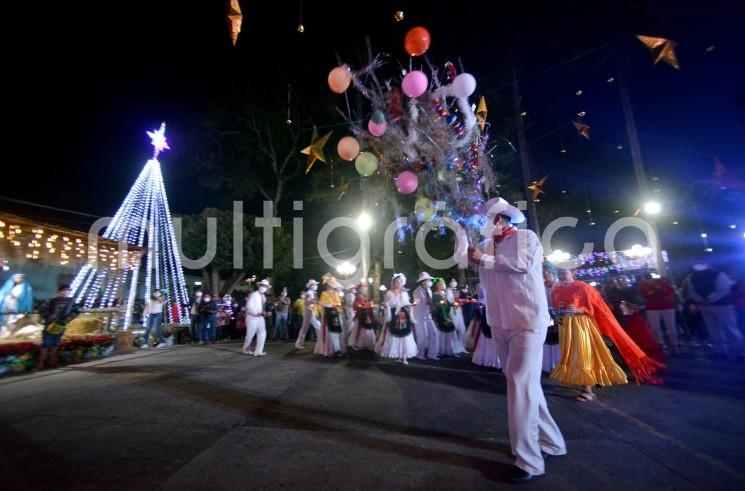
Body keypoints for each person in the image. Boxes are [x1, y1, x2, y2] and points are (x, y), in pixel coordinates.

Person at [468, 197, 566, 483]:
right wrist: (459, 229)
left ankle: (529, 460)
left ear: (499, 219)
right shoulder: (485, 247)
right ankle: (552, 443)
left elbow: (521, 265)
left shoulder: (527, 238)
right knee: (525, 384)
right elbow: (464, 256)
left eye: (482, 219)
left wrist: (484, 258)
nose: (480, 225)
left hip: (527, 321)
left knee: (520, 384)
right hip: (499, 323)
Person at [550, 268, 665, 400]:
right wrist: (560, 313)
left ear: (573, 273)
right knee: (572, 355)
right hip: (566, 327)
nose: (561, 276)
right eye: (559, 273)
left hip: (582, 325)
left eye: (564, 273)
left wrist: (578, 309)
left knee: (583, 354)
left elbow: (595, 307)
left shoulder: (583, 287)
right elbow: (557, 307)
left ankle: (587, 390)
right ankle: (589, 381)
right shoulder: (557, 289)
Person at [687, 262, 744, 359]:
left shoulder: (718, 274)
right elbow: (691, 291)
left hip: (722, 305)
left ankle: (739, 352)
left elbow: (724, 289)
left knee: (730, 328)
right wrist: (702, 300)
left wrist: (708, 299)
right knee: (713, 329)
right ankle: (720, 351)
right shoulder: (692, 278)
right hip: (706, 306)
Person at [375, 273, 418, 364]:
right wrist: (386, 305)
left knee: (405, 335)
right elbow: (386, 304)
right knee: (393, 335)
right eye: (396, 282)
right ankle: (397, 355)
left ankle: (404, 357)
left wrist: (412, 304)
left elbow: (406, 303)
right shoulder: (389, 293)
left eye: (399, 281)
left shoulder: (404, 292)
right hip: (393, 315)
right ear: (393, 283)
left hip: (403, 315)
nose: (398, 283)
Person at [38, 285, 79, 369]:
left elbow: (76, 311)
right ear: (59, 291)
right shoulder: (51, 301)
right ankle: (40, 362)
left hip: (61, 325)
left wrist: (70, 317)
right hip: (49, 325)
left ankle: (52, 361)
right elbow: (41, 310)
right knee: (46, 343)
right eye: (63, 290)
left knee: (56, 343)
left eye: (67, 290)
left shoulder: (71, 302)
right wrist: (49, 316)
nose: (65, 292)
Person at [639, 272, 679, 355]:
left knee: (671, 326)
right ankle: (661, 346)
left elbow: (670, 290)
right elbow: (643, 295)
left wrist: (659, 288)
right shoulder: (643, 285)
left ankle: (674, 346)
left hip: (666, 305)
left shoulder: (661, 281)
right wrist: (651, 292)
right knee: (655, 328)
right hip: (652, 307)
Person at [315, 275, 346, 357]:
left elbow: (338, 304)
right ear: (328, 285)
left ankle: (337, 348)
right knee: (332, 333)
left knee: (338, 332)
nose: (334, 287)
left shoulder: (336, 294)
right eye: (332, 285)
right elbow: (324, 305)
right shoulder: (324, 294)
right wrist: (335, 305)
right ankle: (335, 349)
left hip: (336, 315)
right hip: (329, 317)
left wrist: (338, 305)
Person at [411, 272, 439, 360]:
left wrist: (433, 305)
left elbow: (430, 303)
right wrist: (427, 303)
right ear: (423, 282)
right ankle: (420, 354)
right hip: (419, 316)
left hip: (428, 316)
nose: (430, 282)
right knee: (422, 335)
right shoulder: (417, 291)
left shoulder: (429, 291)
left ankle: (432, 354)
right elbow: (417, 304)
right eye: (428, 280)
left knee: (434, 333)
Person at [432, 278, 459, 357]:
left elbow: (447, 303)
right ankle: (441, 351)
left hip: (447, 315)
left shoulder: (444, 293)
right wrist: (439, 305)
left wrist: (453, 304)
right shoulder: (435, 294)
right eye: (440, 284)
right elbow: (435, 306)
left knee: (451, 332)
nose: (442, 285)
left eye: (443, 284)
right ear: (436, 286)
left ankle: (451, 350)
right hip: (440, 316)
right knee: (442, 333)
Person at [541, 265, 561, 373]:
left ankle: (558, 366)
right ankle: (547, 365)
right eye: (544, 274)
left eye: (547, 274)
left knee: (557, 340)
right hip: (545, 315)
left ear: (553, 275)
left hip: (556, 314)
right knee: (546, 339)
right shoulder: (541, 286)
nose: (544, 276)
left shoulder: (558, 286)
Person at [243, 279, 270, 356]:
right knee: (250, 335)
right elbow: (248, 306)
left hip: (260, 317)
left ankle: (258, 351)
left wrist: (265, 313)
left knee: (262, 334)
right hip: (252, 317)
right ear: (259, 286)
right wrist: (257, 313)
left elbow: (262, 307)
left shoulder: (263, 296)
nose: (264, 287)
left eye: (265, 286)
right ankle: (246, 349)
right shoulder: (254, 295)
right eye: (263, 286)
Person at [348, 282, 377, 350]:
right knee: (359, 329)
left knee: (367, 329)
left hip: (366, 316)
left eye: (365, 288)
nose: (364, 290)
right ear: (360, 290)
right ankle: (356, 343)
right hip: (360, 316)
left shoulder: (366, 298)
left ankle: (367, 343)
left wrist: (370, 306)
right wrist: (362, 306)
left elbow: (368, 305)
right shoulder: (358, 297)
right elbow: (355, 306)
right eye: (362, 289)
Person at [295, 279, 321, 350]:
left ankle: (299, 344)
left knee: (305, 328)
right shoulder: (309, 293)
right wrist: (316, 302)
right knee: (318, 326)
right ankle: (321, 342)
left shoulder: (312, 293)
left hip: (309, 312)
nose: (316, 286)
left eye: (316, 285)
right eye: (315, 285)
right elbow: (309, 303)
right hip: (309, 312)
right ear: (311, 286)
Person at [446, 279, 469, 354]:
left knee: (462, 329)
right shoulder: (447, 291)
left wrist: (462, 301)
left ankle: (462, 347)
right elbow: (449, 301)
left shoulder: (457, 290)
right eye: (452, 281)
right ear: (449, 283)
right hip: (452, 311)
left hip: (459, 311)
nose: (454, 283)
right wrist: (456, 302)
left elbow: (458, 299)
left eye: (455, 281)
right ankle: (454, 349)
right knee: (454, 330)